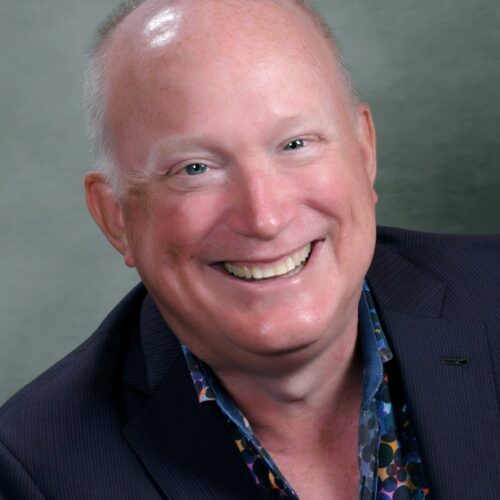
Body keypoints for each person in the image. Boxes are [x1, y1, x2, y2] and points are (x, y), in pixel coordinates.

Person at [0, 0, 498, 498]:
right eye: (195, 168)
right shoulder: (36, 473)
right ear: (117, 218)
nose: (264, 218)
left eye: (295, 144)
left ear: (364, 153)